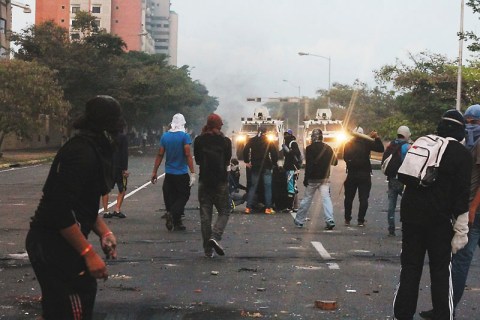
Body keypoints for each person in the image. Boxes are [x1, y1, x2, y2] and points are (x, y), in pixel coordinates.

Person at [25, 95, 122, 320]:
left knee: (61, 308)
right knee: (75, 302)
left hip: (57, 241)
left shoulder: (90, 149)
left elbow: (81, 204)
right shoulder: (82, 153)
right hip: (51, 243)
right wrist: (88, 253)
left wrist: (104, 232)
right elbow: (58, 210)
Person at [393, 109, 471, 320]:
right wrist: (461, 230)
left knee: (409, 267)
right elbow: (462, 195)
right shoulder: (461, 154)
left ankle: (402, 314)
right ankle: (443, 315)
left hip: (410, 217)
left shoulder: (423, 142)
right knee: (440, 271)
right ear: (460, 131)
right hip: (438, 221)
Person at [420, 105, 480, 319]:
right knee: (459, 261)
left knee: (460, 261)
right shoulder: (467, 146)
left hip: (475, 210)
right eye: (468, 122)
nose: (470, 126)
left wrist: (471, 209)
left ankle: (445, 309)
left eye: (474, 123)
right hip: (469, 207)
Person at [193, 113, 232, 257]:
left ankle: (207, 250)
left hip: (204, 181)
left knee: (205, 215)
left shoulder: (199, 140)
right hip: (220, 181)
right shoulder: (226, 141)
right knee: (224, 211)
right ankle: (215, 237)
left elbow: (197, 160)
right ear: (218, 126)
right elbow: (227, 161)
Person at [151, 113, 195, 231]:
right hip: (181, 174)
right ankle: (172, 213)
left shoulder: (165, 136)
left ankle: (177, 222)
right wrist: (193, 172)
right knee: (183, 195)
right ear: (183, 123)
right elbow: (187, 154)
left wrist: (154, 171)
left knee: (171, 196)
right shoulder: (185, 136)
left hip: (169, 173)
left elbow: (160, 154)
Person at [293, 129, 338, 229]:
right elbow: (335, 162)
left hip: (313, 179)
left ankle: (299, 220)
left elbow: (309, 166)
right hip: (324, 178)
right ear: (322, 137)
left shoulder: (309, 149)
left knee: (307, 199)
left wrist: (306, 179)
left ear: (313, 137)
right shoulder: (328, 148)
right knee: (326, 199)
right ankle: (329, 219)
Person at [343, 126, 384, 226]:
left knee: (348, 198)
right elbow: (381, 149)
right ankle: (360, 220)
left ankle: (347, 219)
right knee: (363, 198)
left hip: (352, 174)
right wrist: (377, 138)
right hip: (364, 174)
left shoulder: (348, 144)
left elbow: (345, 158)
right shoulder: (367, 143)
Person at [382, 125, 411, 236]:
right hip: (403, 179)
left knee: (391, 205)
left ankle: (391, 227)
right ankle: (406, 226)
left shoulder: (391, 145)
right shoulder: (407, 147)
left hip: (392, 178)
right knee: (407, 204)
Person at [243, 126, 279, 214]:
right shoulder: (268, 141)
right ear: (266, 132)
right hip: (266, 166)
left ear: (257, 131)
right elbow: (274, 153)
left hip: (255, 166)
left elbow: (245, 150)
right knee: (267, 187)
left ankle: (248, 207)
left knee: (253, 187)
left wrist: (247, 161)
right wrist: (274, 163)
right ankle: (268, 208)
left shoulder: (252, 140)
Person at [102, 130, 129, 219]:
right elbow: (124, 153)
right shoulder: (123, 137)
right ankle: (117, 209)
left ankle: (106, 211)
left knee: (106, 189)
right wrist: (125, 168)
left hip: (108, 166)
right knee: (122, 188)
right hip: (119, 166)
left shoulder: (106, 137)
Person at [282, 129, 302, 212]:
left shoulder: (292, 143)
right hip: (290, 168)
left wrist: (289, 151)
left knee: (291, 187)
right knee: (293, 186)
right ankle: (296, 206)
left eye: (287, 134)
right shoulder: (286, 144)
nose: (286, 136)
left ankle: (290, 207)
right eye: (285, 134)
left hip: (292, 168)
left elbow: (296, 153)